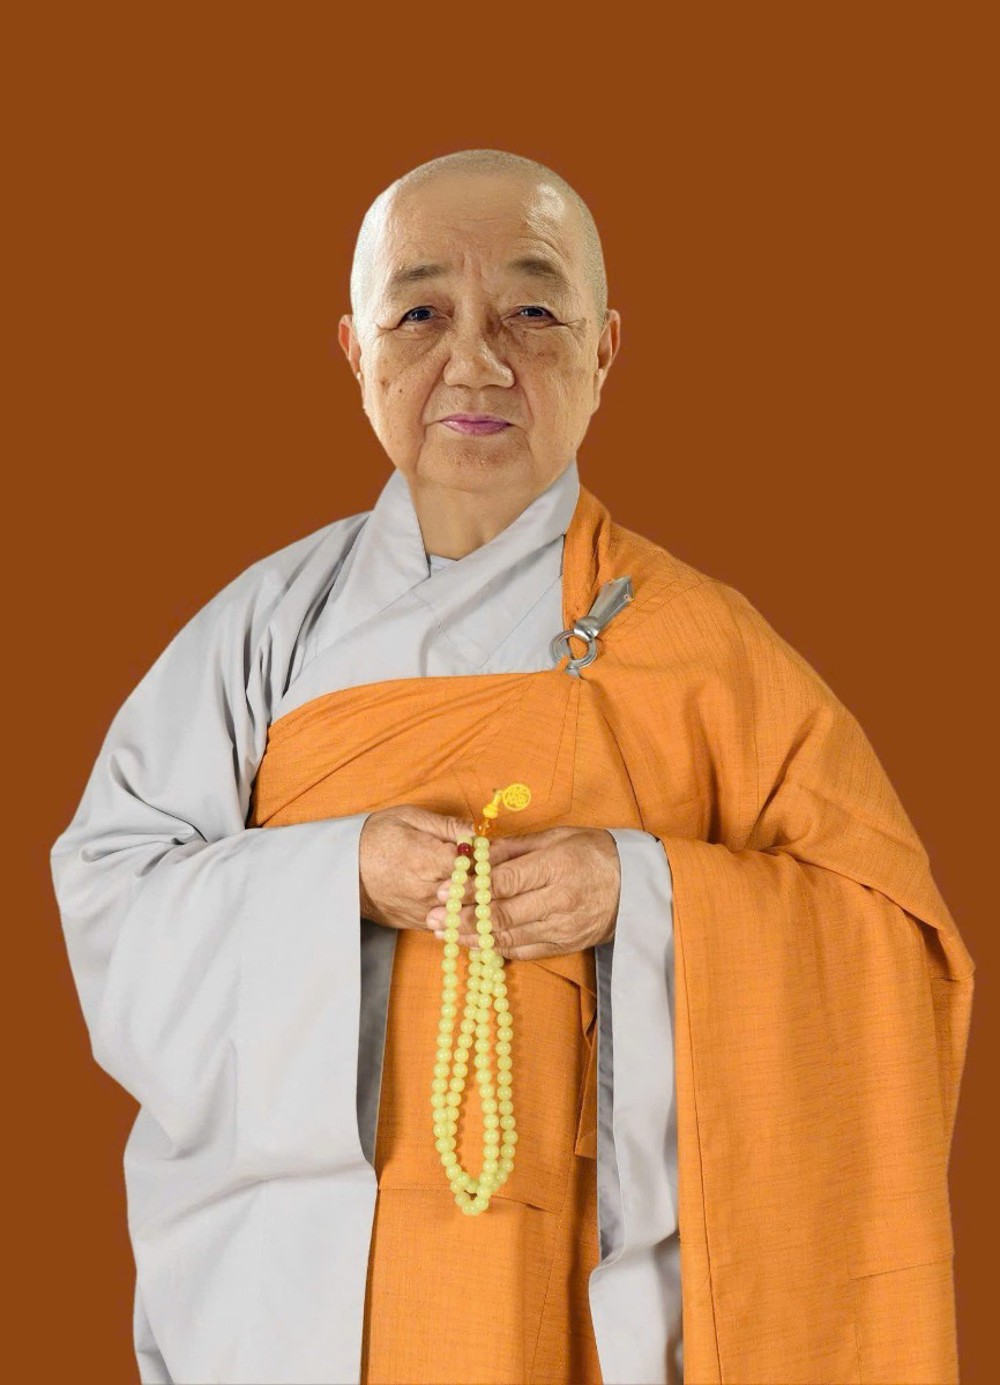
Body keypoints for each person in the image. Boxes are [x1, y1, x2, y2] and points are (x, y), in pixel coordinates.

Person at [49, 148, 975, 1385]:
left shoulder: (704, 646)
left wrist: (643, 894)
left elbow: (892, 951)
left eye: (532, 311)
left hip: (594, 1292)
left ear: (603, 351)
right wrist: (337, 874)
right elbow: (112, 897)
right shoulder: (263, 630)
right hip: (305, 1290)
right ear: (355, 352)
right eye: (421, 313)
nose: (477, 361)